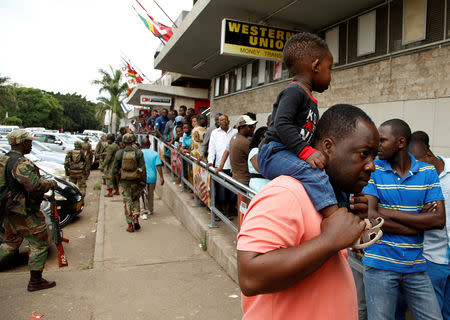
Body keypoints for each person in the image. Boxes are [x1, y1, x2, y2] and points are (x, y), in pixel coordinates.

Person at [237, 104, 378, 320]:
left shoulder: (330, 200)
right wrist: (329, 241)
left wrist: (349, 234)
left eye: (374, 157)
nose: (371, 166)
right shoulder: (286, 192)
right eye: (364, 154)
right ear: (328, 147)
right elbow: (249, 276)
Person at [256, 32, 379, 248]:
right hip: (274, 151)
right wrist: (307, 152)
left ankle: (353, 225)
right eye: (329, 68)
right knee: (312, 171)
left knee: (329, 178)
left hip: (288, 153)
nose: (330, 75)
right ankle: (336, 221)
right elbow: (281, 125)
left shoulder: (309, 99)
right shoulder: (294, 92)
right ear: (315, 66)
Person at [362, 119, 445, 320]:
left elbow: (438, 220)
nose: (377, 145)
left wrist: (386, 212)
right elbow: (372, 217)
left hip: (416, 265)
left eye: (382, 140)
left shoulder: (427, 172)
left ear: (400, 142)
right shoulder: (373, 169)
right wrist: (418, 222)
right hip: (379, 264)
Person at [0, 129, 57, 291]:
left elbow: (13, 186)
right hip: (25, 213)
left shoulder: (4, 160)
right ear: (22, 143)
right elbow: (35, 186)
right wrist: (51, 184)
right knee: (40, 242)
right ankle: (36, 281)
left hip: (8, 210)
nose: (31, 145)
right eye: (29, 142)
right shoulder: (21, 164)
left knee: (10, 243)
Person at [408, 138, 450, 319]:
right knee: (433, 312)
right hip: (433, 259)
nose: (417, 171)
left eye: (419, 164)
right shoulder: (417, 182)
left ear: (430, 156)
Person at [112, 133, 146, 232]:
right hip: (136, 181)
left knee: (127, 201)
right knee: (135, 199)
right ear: (133, 141)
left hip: (125, 181)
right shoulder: (138, 153)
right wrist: (143, 182)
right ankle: (136, 217)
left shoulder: (119, 153)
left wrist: (115, 185)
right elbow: (143, 169)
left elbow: (114, 170)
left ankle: (130, 224)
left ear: (123, 142)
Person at [207, 114, 238, 216]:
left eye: (225, 119)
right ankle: (222, 211)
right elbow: (211, 149)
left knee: (233, 191)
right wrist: (210, 161)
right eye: (221, 120)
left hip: (233, 166)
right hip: (220, 167)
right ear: (218, 122)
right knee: (221, 191)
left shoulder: (235, 132)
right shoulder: (214, 133)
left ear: (229, 121)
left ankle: (230, 210)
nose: (224, 121)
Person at [215, 115, 257, 185]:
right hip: (244, 181)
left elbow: (226, 150)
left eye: (252, 126)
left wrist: (220, 167)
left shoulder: (234, 137)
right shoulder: (245, 142)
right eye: (249, 126)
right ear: (242, 127)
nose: (252, 128)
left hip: (236, 179)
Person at [140, 138, 164, 220]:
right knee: (151, 194)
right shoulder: (155, 154)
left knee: (142, 194)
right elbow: (158, 166)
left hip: (142, 177)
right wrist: (161, 177)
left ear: (141, 145)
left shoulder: (139, 153)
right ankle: (150, 209)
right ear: (150, 145)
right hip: (152, 177)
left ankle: (143, 211)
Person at [248, 126, 270, 192]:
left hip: (267, 186)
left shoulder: (266, 151)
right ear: (262, 138)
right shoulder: (255, 151)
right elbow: (260, 168)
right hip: (258, 186)